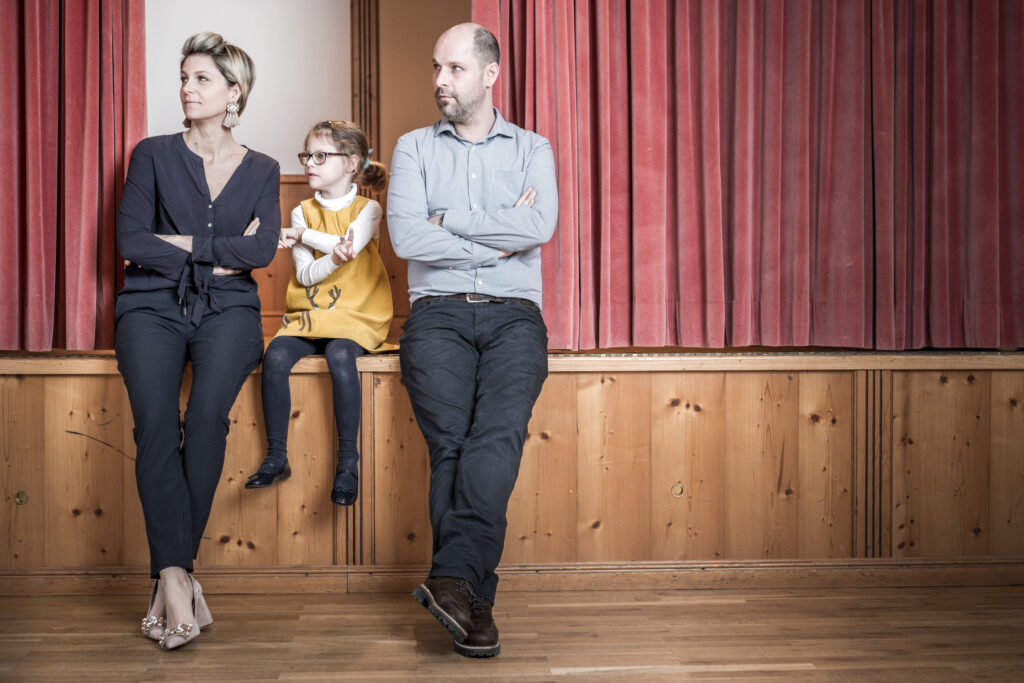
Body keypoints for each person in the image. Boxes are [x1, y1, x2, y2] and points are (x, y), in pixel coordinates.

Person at [387, 23, 557, 658]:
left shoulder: (534, 147)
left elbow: (539, 223)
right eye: (437, 68)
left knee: (497, 434)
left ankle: (454, 582)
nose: (439, 81)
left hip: (516, 315)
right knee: (452, 447)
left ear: (489, 75)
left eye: (454, 69)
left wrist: (448, 219)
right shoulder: (411, 149)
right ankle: (471, 600)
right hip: (436, 315)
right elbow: (406, 239)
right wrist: (499, 232)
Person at [114, 32, 280, 650]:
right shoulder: (152, 154)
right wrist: (217, 255)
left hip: (230, 311)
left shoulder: (263, 169)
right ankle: (178, 577)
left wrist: (185, 246)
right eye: (184, 77)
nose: (186, 88)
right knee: (156, 426)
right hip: (149, 307)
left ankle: (172, 576)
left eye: (202, 79)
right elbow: (132, 240)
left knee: (207, 418)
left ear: (233, 92)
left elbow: (262, 252)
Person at [244, 120, 392, 506]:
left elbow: (352, 247)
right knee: (274, 356)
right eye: (307, 155)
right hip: (310, 314)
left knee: (340, 354)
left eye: (321, 155)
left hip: (357, 315)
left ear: (351, 162)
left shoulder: (369, 208)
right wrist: (324, 247)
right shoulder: (301, 211)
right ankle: (277, 456)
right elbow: (308, 275)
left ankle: (348, 463)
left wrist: (304, 237)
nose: (310, 162)